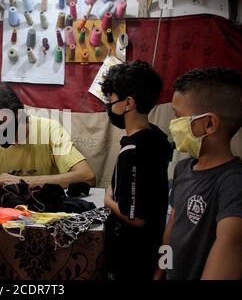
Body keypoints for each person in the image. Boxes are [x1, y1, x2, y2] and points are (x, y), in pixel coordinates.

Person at [155, 68, 242, 280]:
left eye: (178, 117)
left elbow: (230, 247)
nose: (173, 125)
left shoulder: (233, 182)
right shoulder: (183, 169)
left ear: (209, 123)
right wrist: (160, 272)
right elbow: (171, 229)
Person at [101, 60, 173, 280]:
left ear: (128, 103)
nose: (109, 106)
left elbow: (137, 217)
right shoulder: (157, 136)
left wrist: (108, 200)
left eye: (111, 100)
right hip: (151, 247)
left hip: (133, 257)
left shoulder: (134, 151)